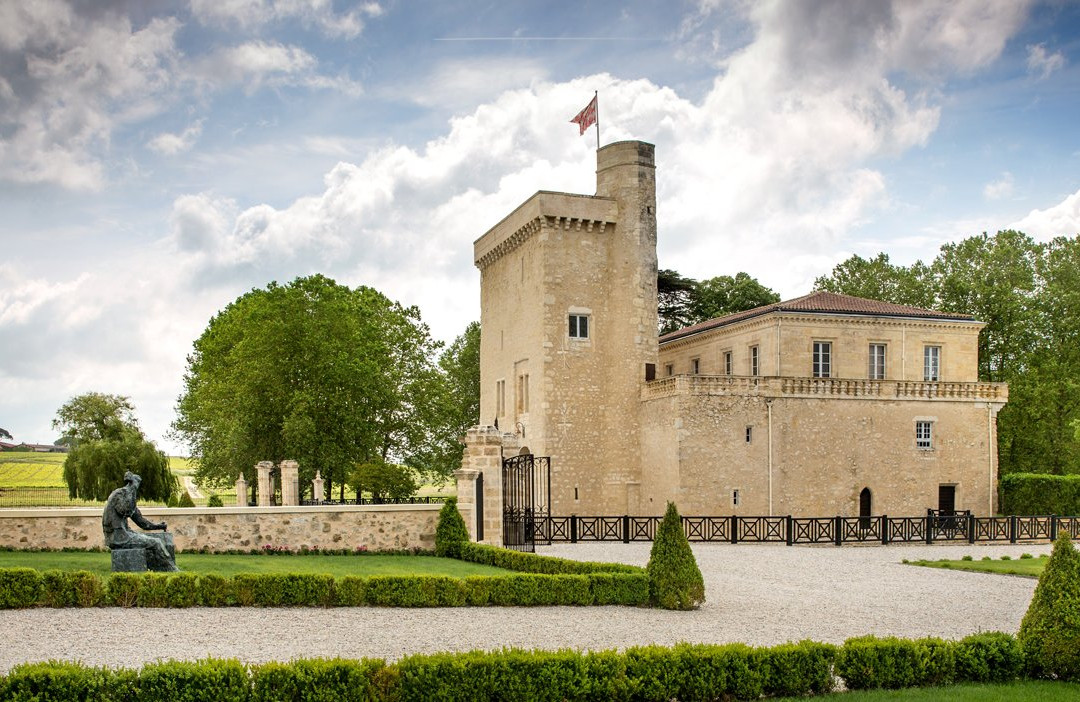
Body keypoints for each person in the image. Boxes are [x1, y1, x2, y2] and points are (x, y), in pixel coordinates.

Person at [102, 471, 178, 571]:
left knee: (157, 539)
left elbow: (142, 522)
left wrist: (159, 526)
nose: (138, 487)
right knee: (156, 542)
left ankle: (157, 568)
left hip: (125, 534)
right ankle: (172, 569)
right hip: (118, 537)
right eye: (137, 484)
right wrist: (133, 489)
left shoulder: (129, 498)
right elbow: (126, 511)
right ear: (132, 482)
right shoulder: (119, 495)